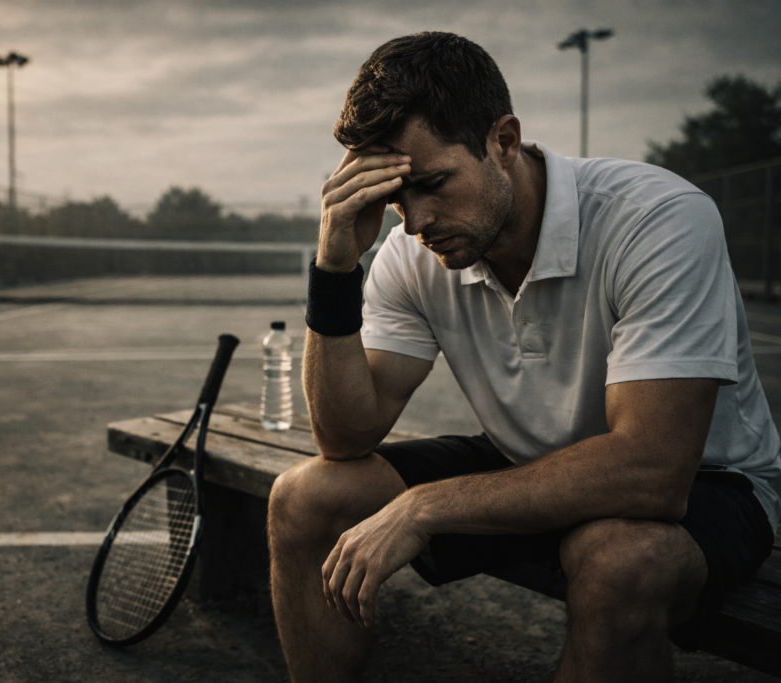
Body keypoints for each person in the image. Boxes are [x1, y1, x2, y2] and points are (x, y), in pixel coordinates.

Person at [268, 31, 781, 683]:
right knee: (305, 496)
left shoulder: (658, 218)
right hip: (527, 459)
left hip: (710, 481)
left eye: (431, 183)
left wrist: (425, 505)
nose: (416, 220)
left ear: (503, 141)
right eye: (396, 198)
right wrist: (336, 265)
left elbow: (653, 469)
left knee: (616, 560)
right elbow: (344, 435)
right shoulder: (410, 250)